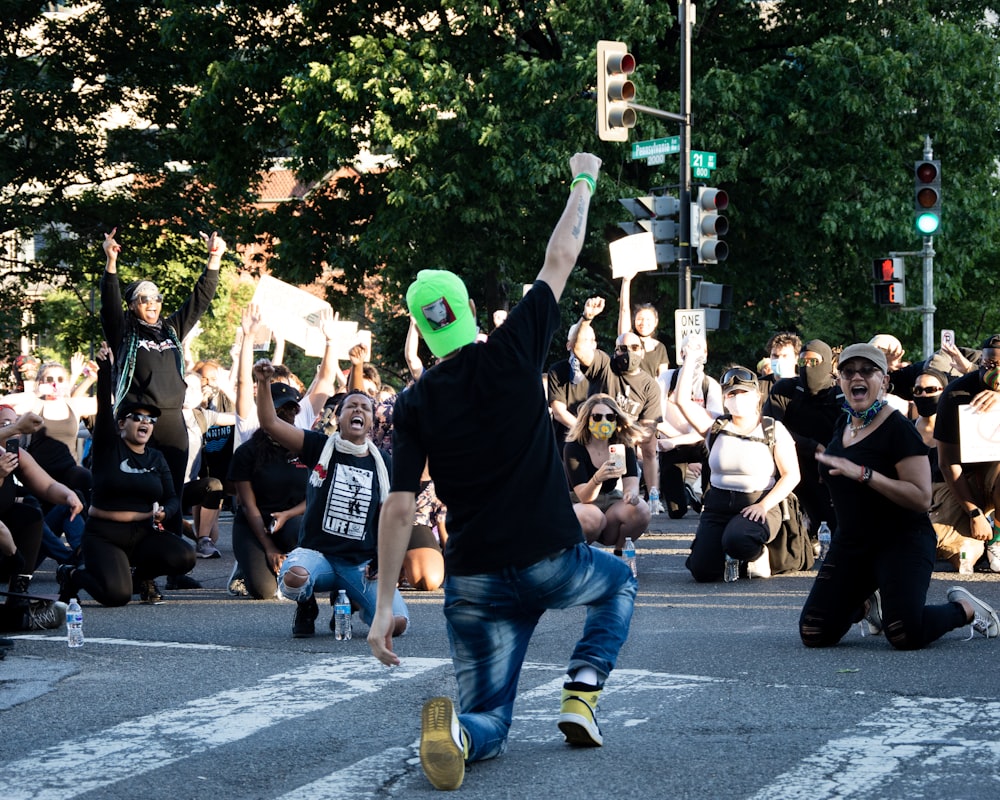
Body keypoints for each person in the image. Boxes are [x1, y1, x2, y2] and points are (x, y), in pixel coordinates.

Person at [368, 153, 637, 792]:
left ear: (420, 329)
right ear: (464, 309)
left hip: (475, 577)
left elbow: (401, 506)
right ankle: (582, 692)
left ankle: (461, 733)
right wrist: (583, 180)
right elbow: (560, 259)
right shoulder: (514, 349)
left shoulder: (414, 401)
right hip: (550, 557)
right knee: (618, 582)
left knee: (490, 714)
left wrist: (384, 601)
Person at [799, 344, 999, 649]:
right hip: (852, 544)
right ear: (839, 380)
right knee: (814, 632)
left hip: (901, 540)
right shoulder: (843, 425)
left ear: (885, 382)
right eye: (848, 371)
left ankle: (965, 609)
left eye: (868, 371)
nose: (857, 377)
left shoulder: (899, 429)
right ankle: (868, 605)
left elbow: (920, 498)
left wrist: (866, 474)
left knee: (905, 633)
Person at [100, 227, 226, 590]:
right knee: (139, 489)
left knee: (171, 495)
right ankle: (136, 567)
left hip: (171, 419)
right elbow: (109, 307)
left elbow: (199, 300)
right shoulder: (125, 330)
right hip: (138, 418)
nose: (152, 304)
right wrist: (111, 263)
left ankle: (173, 568)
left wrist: (214, 259)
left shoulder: (171, 330)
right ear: (133, 305)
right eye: (143, 298)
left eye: (155, 298)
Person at [252, 368, 409, 639]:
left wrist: (386, 560)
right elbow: (270, 424)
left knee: (396, 625)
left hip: (359, 563)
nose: (358, 410)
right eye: (351, 406)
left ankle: (348, 601)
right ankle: (306, 605)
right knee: (295, 579)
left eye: (365, 408)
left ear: (371, 422)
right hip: (318, 556)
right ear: (338, 416)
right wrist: (264, 382)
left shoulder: (383, 462)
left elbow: (393, 518)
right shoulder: (319, 446)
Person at [56, 342, 195, 607]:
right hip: (104, 535)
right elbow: (103, 408)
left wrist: (166, 510)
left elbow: (173, 498)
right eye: (138, 417)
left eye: (151, 420)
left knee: (184, 557)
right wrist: (105, 371)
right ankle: (72, 575)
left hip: (143, 533)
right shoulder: (109, 448)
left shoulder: (156, 458)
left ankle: (141, 577)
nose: (146, 423)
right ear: (122, 424)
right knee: (116, 597)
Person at [672, 356, 800, 583]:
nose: (737, 398)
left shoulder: (772, 428)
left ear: (757, 396)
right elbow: (681, 401)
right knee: (702, 571)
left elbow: (792, 475)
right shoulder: (716, 427)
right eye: (731, 394)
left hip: (759, 503)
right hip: (718, 504)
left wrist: (764, 505)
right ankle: (732, 555)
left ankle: (757, 553)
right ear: (724, 399)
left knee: (738, 539)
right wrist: (690, 360)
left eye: (743, 393)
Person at [227, 382, 308, 599]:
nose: (288, 414)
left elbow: (315, 497)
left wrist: (288, 515)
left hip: (293, 522)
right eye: (281, 410)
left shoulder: (306, 447)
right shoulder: (247, 452)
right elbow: (248, 506)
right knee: (263, 591)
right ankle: (246, 566)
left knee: (300, 528)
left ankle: (291, 561)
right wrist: (270, 548)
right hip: (255, 525)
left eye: (292, 409)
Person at [762, 339, 843, 543]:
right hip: (792, 463)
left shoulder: (840, 396)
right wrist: (812, 446)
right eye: (803, 362)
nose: (808, 368)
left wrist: (829, 454)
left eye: (814, 362)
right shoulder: (785, 391)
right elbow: (769, 428)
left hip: (831, 468)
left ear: (826, 363)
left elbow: (849, 432)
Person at [0, 406, 83, 603]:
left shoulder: (14, 454)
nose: (13, 429)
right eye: (5, 424)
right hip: (5, 547)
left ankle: (20, 588)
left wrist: (68, 495)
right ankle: (70, 560)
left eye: (15, 424)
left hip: (14, 553)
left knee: (29, 512)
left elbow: (47, 486)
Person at [933, 334, 1000, 572]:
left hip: (996, 477)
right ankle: (984, 532)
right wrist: (974, 512)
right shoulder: (956, 394)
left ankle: (997, 536)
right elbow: (947, 462)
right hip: (963, 482)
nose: (995, 372)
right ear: (981, 361)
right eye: (989, 364)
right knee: (961, 554)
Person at [563, 393, 650, 551]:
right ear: (587, 419)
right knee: (593, 516)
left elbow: (631, 481)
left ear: (616, 419)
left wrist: (631, 494)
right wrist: (598, 478)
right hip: (581, 504)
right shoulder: (575, 447)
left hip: (611, 501)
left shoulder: (622, 444)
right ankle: (578, 556)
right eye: (597, 417)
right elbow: (584, 496)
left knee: (641, 509)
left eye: (610, 417)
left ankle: (621, 552)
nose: (604, 422)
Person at [655, 334, 724, 518]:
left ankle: (708, 499)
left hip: (698, 442)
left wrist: (677, 440)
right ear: (681, 353)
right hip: (670, 441)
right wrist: (673, 440)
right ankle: (684, 494)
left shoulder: (711, 385)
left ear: (706, 353)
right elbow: (656, 417)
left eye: (698, 348)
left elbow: (711, 429)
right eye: (688, 349)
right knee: (676, 513)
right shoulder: (666, 379)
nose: (693, 354)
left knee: (714, 449)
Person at [547, 321, 593, 454]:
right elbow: (559, 413)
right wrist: (586, 432)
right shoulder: (557, 370)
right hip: (566, 442)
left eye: (587, 340)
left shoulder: (603, 369)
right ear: (569, 345)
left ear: (594, 344)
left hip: (600, 442)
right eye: (577, 340)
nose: (582, 345)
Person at [617, 274, 669, 378]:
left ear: (655, 322)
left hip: (650, 392)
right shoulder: (628, 339)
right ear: (634, 320)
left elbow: (663, 379)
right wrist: (626, 281)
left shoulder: (660, 348)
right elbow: (624, 309)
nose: (644, 323)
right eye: (640, 319)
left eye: (648, 319)